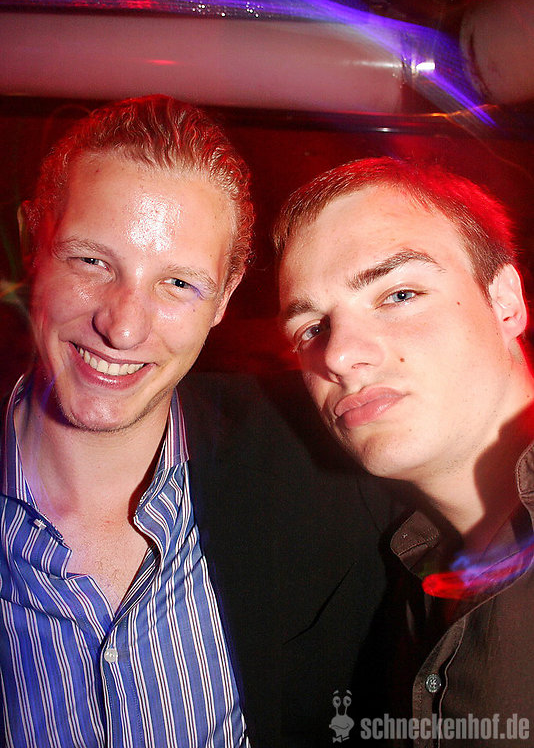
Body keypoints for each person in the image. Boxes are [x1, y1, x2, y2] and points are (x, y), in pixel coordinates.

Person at [0, 97, 396, 748]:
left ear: (225, 297)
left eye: (179, 283)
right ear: (30, 245)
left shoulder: (326, 464)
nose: (123, 326)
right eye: (91, 261)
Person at [274, 157, 534, 746]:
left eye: (399, 294)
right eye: (311, 328)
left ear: (505, 302)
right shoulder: (407, 571)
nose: (338, 355)